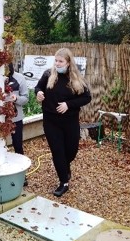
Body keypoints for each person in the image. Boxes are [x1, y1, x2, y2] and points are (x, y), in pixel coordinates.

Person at [34, 48, 91, 197]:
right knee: (57, 151)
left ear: (68, 63)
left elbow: (86, 97)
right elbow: (38, 87)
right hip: (51, 121)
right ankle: (63, 182)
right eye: (56, 61)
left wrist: (68, 104)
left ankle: (65, 167)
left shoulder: (76, 78)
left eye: (61, 61)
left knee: (71, 151)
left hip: (70, 121)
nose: (57, 64)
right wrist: (39, 93)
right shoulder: (48, 74)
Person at [6, 63, 29, 155]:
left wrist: (16, 99)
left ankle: (20, 166)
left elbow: (26, 98)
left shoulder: (19, 78)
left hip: (15, 118)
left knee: (18, 145)